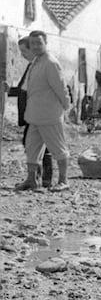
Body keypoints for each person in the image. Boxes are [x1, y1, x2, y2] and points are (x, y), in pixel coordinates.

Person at [14, 31, 72, 192]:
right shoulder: (36, 62)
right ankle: (31, 180)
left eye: (39, 43)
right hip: (34, 115)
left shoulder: (51, 63)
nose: (36, 46)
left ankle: (63, 180)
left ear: (45, 43)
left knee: (58, 148)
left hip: (49, 114)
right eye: (33, 44)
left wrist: (66, 107)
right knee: (32, 148)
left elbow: (61, 88)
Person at [8, 36, 55, 188]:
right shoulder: (32, 66)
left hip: (40, 113)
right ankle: (38, 179)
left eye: (24, 50)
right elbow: (24, 90)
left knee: (38, 145)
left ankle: (40, 179)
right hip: (33, 113)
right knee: (36, 145)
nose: (21, 54)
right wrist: (10, 90)